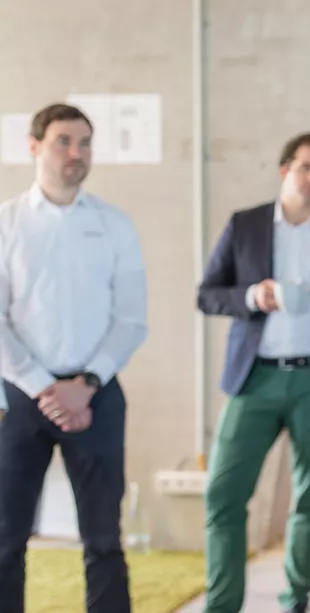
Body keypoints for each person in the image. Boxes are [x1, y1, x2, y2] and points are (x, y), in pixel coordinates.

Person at [197, 133, 310, 613]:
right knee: (223, 494)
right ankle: (222, 604)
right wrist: (250, 297)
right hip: (253, 378)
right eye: (305, 166)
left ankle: (296, 599)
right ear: (285, 169)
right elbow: (207, 293)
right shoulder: (246, 225)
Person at [0, 103, 149, 613]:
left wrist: (85, 383)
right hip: (19, 400)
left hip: (97, 397)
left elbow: (131, 319)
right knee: (5, 539)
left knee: (104, 540)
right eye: (65, 141)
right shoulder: (7, 222)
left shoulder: (114, 224)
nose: (76, 153)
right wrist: (44, 386)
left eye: (85, 142)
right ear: (34, 146)